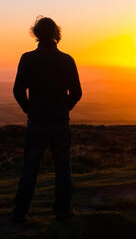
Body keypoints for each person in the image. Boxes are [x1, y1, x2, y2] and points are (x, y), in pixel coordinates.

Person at [11, 16, 82, 223]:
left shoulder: (27, 59)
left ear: (36, 34)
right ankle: (63, 210)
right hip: (60, 121)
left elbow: (17, 90)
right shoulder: (67, 60)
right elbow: (76, 92)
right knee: (62, 167)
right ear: (56, 34)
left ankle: (20, 212)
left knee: (30, 168)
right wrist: (63, 108)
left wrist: (29, 109)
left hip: (37, 120)